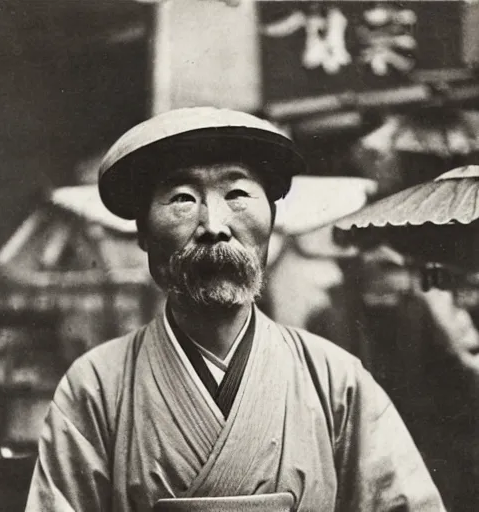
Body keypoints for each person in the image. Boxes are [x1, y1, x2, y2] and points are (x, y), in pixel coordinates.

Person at [25, 107, 445, 511]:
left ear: (272, 220)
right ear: (143, 233)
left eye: (238, 193)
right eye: (182, 198)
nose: (214, 225)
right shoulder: (96, 386)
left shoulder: (336, 379)